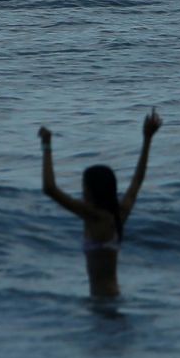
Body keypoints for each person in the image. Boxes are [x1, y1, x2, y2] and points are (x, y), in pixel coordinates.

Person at [38, 108, 162, 297]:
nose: (81, 193)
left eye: (84, 188)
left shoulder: (94, 216)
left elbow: (49, 188)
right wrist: (147, 139)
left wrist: (47, 146)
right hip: (112, 298)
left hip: (103, 303)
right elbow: (137, 180)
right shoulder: (118, 215)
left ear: (92, 191)